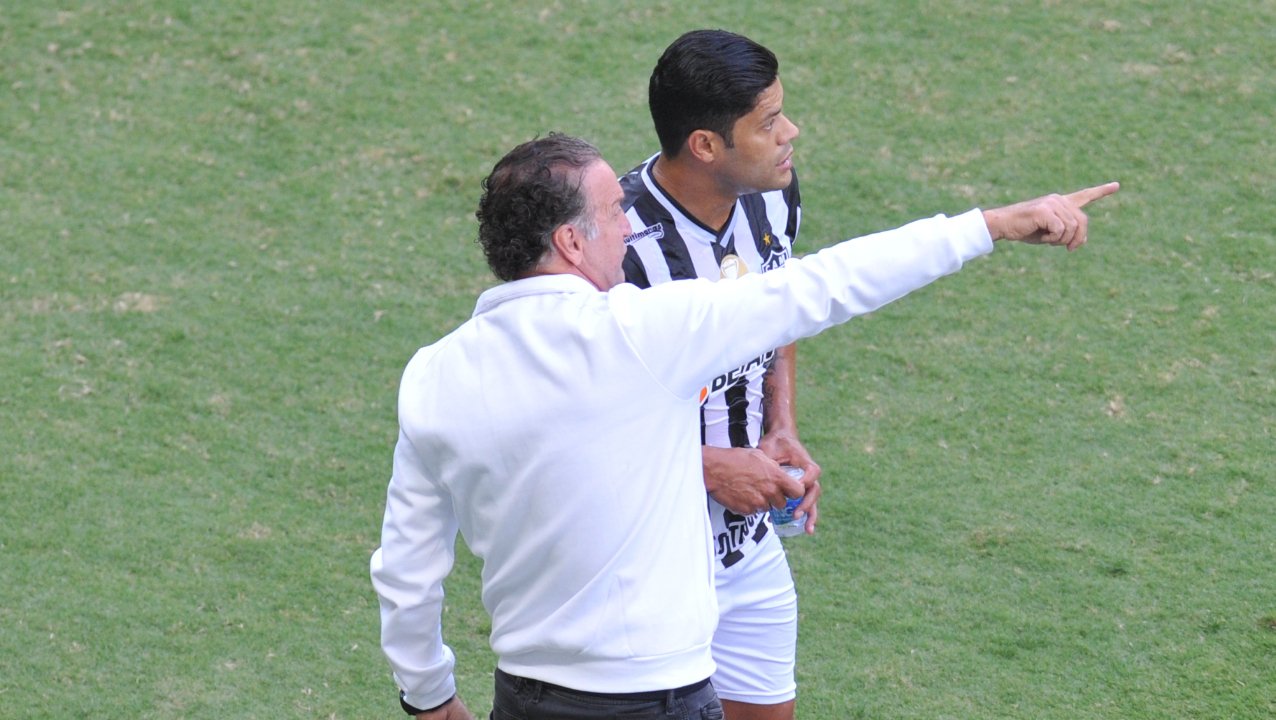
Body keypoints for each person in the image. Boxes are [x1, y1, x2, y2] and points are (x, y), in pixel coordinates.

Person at [370, 132, 1117, 719]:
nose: (628, 226)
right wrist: (991, 225)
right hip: (657, 699)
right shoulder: (642, 333)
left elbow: (406, 570)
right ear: (570, 242)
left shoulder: (433, 374)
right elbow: (822, 286)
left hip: (523, 698)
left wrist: (429, 697)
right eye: (615, 212)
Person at [620, 30, 814, 719]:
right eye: (768, 123)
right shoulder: (616, 250)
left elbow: (779, 306)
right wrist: (708, 467)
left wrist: (781, 426)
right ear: (705, 145)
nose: (790, 133)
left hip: (746, 548)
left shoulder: (773, 196)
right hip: (644, 562)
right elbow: (577, 417)